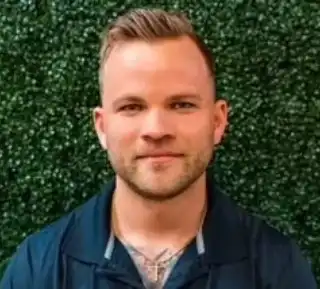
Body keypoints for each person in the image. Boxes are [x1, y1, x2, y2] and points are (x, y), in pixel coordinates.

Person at [0, 8, 317, 289]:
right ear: (102, 127)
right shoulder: (38, 268)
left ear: (218, 121)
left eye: (181, 104)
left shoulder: (278, 268)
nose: (156, 130)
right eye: (131, 107)